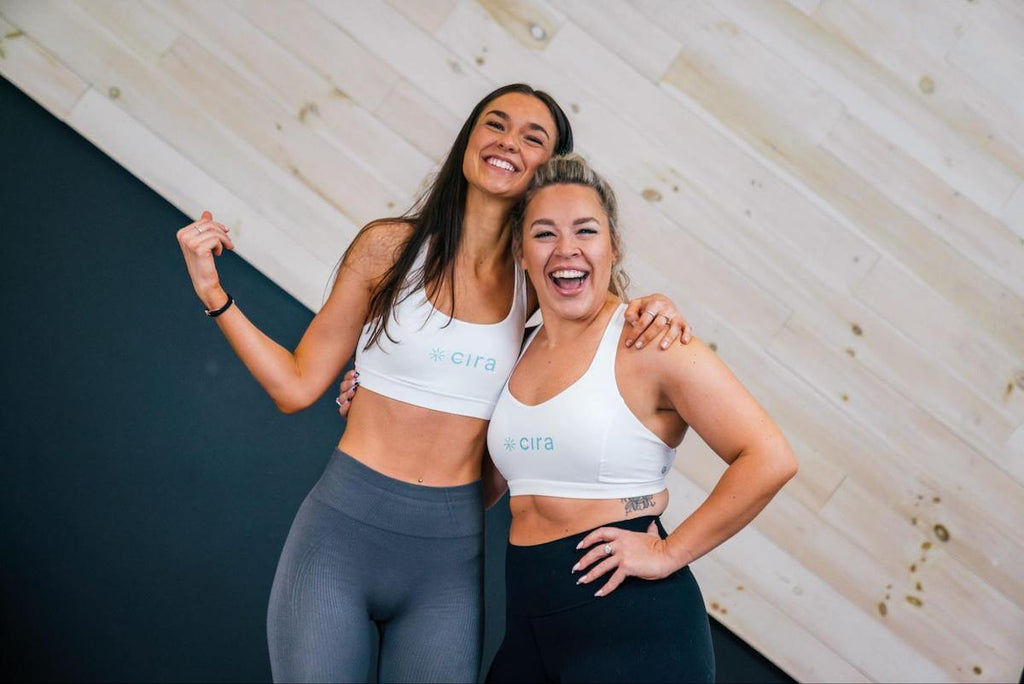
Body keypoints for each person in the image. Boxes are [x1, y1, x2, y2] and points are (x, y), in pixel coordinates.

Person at [175, 84, 693, 683]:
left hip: (448, 559)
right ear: (469, 138)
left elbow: (604, 341)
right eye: (495, 125)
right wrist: (214, 294)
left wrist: (656, 308)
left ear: (545, 171)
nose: (507, 143)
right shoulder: (388, 249)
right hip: (338, 536)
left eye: (532, 138)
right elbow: (295, 386)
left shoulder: (542, 282)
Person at [481, 154, 799, 683]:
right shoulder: (517, 345)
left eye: (586, 230)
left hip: (631, 628)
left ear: (614, 245)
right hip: (529, 622)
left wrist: (670, 552)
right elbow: (484, 483)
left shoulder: (650, 342)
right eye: (544, 233)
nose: (566, 250)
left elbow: (769, 458)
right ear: (520, 250)